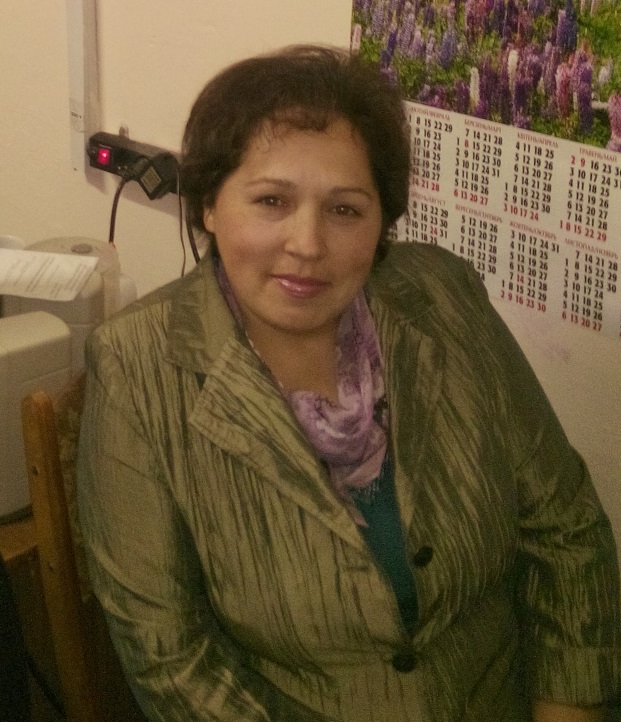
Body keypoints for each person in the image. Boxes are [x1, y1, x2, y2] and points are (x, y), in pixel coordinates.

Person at [77, 45, 621, 721]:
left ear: (380, 220)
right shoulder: (137, 365)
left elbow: (566, 529)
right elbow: (171, 660)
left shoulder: (442, 299)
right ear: (209, 204)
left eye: (344, 210)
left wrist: (565, 709)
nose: (307, 244)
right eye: (271, 201)